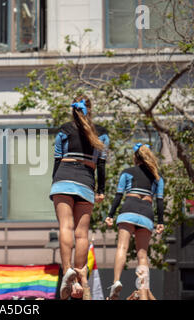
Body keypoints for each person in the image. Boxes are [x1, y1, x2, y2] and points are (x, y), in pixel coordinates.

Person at [50, 96, 109, 300]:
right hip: (85, 181)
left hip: (63, 178)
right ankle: (78, 272)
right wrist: (101, 190)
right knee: (81, 233)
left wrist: (54, 183)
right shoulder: (101, 133)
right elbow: (101, 164)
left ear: (73, 110)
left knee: (65, 226)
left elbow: (57, 159)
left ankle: (68, 272)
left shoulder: (64, 129)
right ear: (90, 110)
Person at [105, 143, 164, 300]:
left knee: (122, 247)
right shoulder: (157, 178)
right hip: (147, 213)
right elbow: (160, 202)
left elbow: (118, 195)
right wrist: (161, 222)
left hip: (129, 209)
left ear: (135, 157)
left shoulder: (127, 172)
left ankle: (116, 282)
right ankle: (143, 293)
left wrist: (110, 214)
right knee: (142, 255)